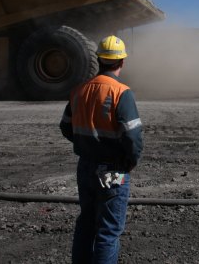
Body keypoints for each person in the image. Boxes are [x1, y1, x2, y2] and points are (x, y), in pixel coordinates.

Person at [60, 35, 143, 264]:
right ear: (122, 62)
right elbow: (133, 137)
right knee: (108, 230)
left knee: (86, 224)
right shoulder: (121, 92)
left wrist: (87, 145)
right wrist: (130, 161)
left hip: (85, 166)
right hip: (112, 169)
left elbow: (66, 127)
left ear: (98, 59)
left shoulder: (79, 91)